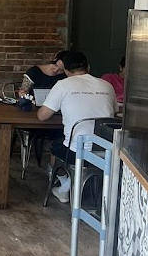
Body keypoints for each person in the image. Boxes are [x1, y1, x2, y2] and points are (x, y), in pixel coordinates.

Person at [37, 51, 119, 203]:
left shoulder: (62, 85)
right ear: (88, 67)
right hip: (106, 150)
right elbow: (114, 112)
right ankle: (73, 183)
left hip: (76, 152)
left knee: (55, 145)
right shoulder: (106, 85)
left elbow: (42, 116)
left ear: (66, 71)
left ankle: (64, 186)